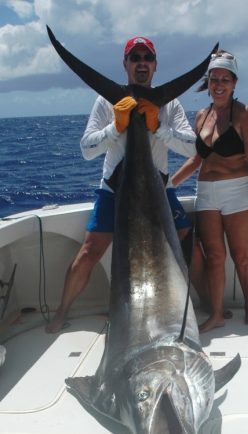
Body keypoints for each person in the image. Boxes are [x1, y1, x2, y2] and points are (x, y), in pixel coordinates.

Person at [46, 36, 199, 333]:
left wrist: (158, 126)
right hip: (115, 189)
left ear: (154, 65)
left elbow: (194, 149)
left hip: (158, 191)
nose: (141, 63)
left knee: (190, 247)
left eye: (146, 57)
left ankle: (205, 310)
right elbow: (87, 150)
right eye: (135, 57)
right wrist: (116, 126)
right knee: (90, 251)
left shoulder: (169, 104)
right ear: (126, 64)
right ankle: (61, 312)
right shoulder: (107, 101)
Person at [171, 50, 248, 333]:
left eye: (225, 79)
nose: (219, 84)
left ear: (234, 83)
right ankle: (217, 313)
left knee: (241, 255)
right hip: (206, 191)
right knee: (215, 256)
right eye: (214, 79)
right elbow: (196, 159)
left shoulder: (245, 114)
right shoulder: (201, 116)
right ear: (207, 84)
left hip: (238, 190)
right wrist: (168, 184)